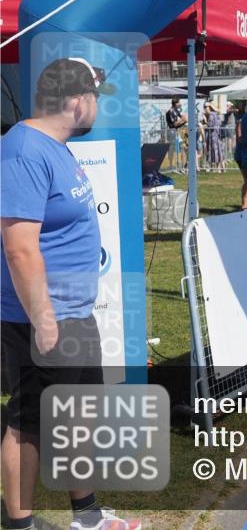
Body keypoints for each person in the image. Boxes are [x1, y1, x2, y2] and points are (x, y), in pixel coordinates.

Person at [1, 58, 142, 530]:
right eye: (96, 97)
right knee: (30, 422)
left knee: (78, 415)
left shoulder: (55, 146)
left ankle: (87, 515)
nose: (98, 106)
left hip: (73, 312)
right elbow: (19, 248)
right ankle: (20, 523)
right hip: (42, 317)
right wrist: (44, 319)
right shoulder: (23, 150)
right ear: (77, 100)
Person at [164, 96, 186, 171]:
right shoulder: (170, 111)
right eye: (179, 102)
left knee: (182, 148)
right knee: (172, 149)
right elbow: (174, 124)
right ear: (175, 103)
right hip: (172, 132)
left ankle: (182, 166)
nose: (180, 103)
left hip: (177, 131)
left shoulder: (177, 110)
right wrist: (182, 120)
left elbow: (182, 117)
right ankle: (171, 165)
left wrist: (184, 119)